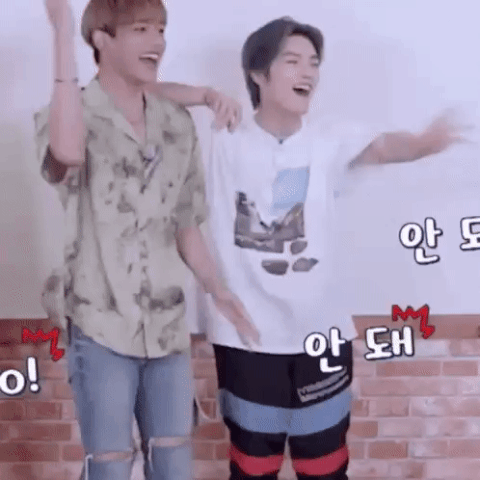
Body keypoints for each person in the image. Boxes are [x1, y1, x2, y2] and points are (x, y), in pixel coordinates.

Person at [180, 16, 467, 480]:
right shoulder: (223, 140)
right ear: (257, 74)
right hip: (246, 337)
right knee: (253, 466)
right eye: (292, 61)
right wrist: (205, 95)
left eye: (314, 63)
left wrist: (424, 143)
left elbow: (384, 147)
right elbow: (141, 96)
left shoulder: (329, 139)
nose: (307, 72)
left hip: (321, 335)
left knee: (324, 464)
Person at [34, 1, 259, 479]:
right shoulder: (68, 115)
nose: (157, 41)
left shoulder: (176, 124)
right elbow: (67, 153)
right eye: (141, 29)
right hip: (99, 325)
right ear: (101, 39)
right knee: (110, 468)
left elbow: (186, 223)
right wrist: (61, 33)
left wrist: (219, 290)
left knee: (174, 466)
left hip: (167, 328)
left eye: (160, 29)